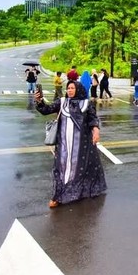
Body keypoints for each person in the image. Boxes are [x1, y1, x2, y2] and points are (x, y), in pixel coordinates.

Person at [34, 80, 107, 208]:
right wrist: (39, 101)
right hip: (63, 145)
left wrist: (96, 130)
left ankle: (78, 192)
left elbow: (93, 119)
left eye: (72, 88)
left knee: (79, 169)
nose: (70, 90)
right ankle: (57, 196)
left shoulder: (86, 103)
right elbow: (46, 109)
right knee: (61, 169)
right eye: (68, 88)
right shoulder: (62, 102)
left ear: (78, 89)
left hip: (81, 145)